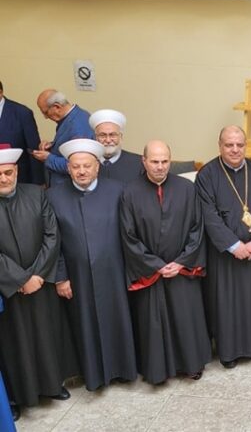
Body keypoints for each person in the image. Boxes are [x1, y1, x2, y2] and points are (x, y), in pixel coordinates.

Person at [47, 138, 137, 391]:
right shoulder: (53, 196)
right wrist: (61, 277)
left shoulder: (118, 190)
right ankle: (94, 376)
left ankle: (123, 370)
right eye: (76, 167)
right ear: (68, 169)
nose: (82, 171)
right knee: (85, 325)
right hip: (77, 277)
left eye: (87, 166)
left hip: (115, 272)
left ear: (97, 166)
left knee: (118, 320)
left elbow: (129, 233)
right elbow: (53, 242)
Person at [120, 140, 210, 383]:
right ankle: (157, 371)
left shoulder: (187, 188)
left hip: (182, 269)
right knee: (154, 323)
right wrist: (156, 265)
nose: (160, 167)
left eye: (165, 161)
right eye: (154, 161)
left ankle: (191, 364)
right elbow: (128, 235)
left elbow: (197, 229)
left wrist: (181, 262)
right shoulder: (130, 192)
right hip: (151, 272)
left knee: (186, 318)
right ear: (144, 161)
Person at [0, 145, 78, 420]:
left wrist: (37, 275)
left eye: (8, 173)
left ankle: (52, 385)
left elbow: (52, 235)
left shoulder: (36, 194)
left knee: (46, 335)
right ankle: (16, 398)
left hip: (40, 282)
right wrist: (19, 279)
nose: (3, 179)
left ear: (16, 171)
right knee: (13, 343)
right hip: (8, 289)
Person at [196, 126, 251, 366]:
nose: (234, 149)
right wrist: (233, 245)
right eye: (229, 145)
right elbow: (208, 215)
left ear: (245, 146)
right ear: (220, 145)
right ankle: (229, 352)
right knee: (227, 304)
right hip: (225, 255)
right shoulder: (207, 175)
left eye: (239, 145)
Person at [31, 89, 93, 187]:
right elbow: (69, 144)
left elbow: (76, 164)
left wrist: (48, 158)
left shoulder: (78, 126)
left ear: (57, 107)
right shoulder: (74, 116)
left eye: (46, 112)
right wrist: (52, 145)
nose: (45, 117)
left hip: (68, 187)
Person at [0, 80, 44, 185]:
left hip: (18, 180)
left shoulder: (22, 113)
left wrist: (38, 182)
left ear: (0, 92)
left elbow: (33, 150)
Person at [89, 109, 144, 183]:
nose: (108, 140)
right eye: (102, 135)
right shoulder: (87, 164)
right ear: (96, 138)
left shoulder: (139, 163)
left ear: (121, 137)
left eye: (112, 135)